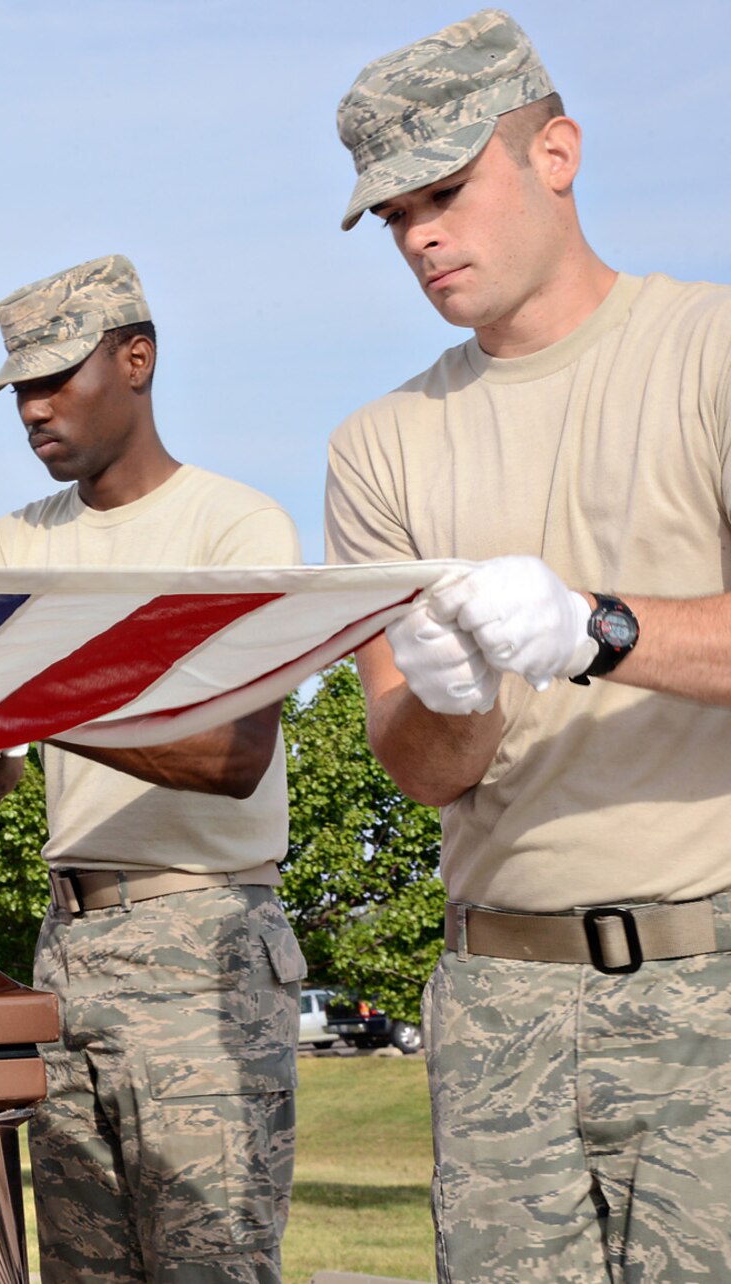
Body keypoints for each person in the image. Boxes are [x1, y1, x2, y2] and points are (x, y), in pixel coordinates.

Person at [324, 11, 731, 1279]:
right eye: (393, 212)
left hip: (707, 979)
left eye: (443, 189)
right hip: (498, 997)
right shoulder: (377, 447)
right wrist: (452, 701)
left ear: (552, 153)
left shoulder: (708, 352)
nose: (419, 235)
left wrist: (592, 631)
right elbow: (420, 768)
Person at [0, 255, 304, 1284]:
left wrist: (31, 700)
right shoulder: (7, 545)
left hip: (203, 941)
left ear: (136, 360)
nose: (31, 408)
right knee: (76, 1272)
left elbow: (233, 756)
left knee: (210, 1266)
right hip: (65, 944)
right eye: (18, 388)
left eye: (55, 378)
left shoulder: (232, 529)